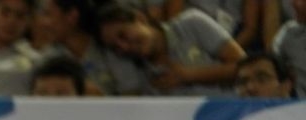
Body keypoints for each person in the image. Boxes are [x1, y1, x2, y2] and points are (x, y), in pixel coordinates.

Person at [96, 1, 245, 92]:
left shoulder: (191, 23)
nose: (124, 46)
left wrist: (188, 75)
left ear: (139, 18)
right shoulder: (134, 68)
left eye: (123, 34)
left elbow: (246, 67)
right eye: (115, 47)